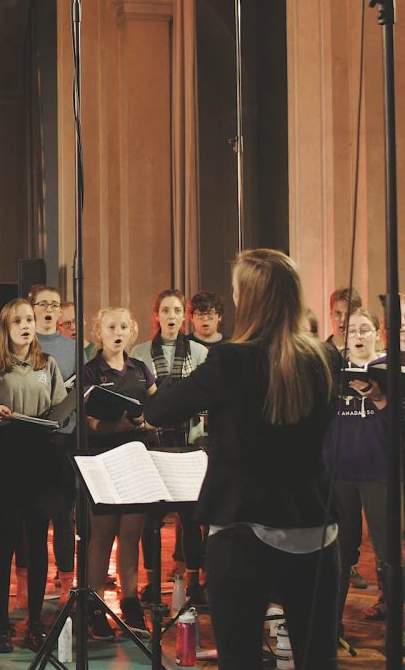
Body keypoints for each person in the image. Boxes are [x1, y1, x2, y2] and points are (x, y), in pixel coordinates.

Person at [144, 248, 340, 669]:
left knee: (240, 658)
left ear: (249, 299)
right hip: (312, 521)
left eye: (236, 292)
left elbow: (160, 412)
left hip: (242, 525)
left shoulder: (232, 360)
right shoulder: (325, 357)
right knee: (317, 657)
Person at [0, 299, 67, 652]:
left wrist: (61, 415)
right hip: (5, 454)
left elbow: (60, 407)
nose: (26, 325)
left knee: (38, 541)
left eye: (29, 320)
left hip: (40, 454)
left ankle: (36, 622)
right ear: (6, 328)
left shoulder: (48, 364)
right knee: (7, 542)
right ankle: (1, 624)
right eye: (18, 321)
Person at [131, 290, 209, 605]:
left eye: (177, 310)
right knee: (152, 518)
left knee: (191, 517)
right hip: (154, 442)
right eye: (166, 310)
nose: (172, 316)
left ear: (183, 315)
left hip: (188, 442)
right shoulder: (139, 352)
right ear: (157, 315)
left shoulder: (199, 352)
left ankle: (193, 581)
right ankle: (151, 582)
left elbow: (204, 395)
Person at [82, 307, 156, 638]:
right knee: (102, 534)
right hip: (103, 457)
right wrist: (114, 425)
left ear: (131, 332)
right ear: (99, 332)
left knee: (131, 534)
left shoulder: (140, 370)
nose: (118, 331)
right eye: (111, 326)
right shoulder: (89, 371)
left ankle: (130, 604)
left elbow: (157, 408)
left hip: (136, 458)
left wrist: (147, 420)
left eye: (124, 326)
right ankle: (94, 606)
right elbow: (85, 421)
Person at [326, 308, 391, 631]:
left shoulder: (390, 368)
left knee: (386, 547)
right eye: (352, 331)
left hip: (380, 469)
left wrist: (379, 398)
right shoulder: (334, 366)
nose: (359, 337)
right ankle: (331, 622)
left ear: (378, 334)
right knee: (340, 546)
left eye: (365, 330)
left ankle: (394, 623)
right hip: (340, 469)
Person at [28, 285, 78, 600]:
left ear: (60, 312)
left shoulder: (73, 349)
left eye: (54, 305)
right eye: (43, 304)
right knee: (32, 518)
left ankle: (67, 584)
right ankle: (27, 587)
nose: (49, 309)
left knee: (64, 515)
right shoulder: (23, 343)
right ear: (32, 309)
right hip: (31, 439)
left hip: (64, 438)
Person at [327, 287, 363, 352]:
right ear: (331, 315)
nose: (342, 319)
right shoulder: (320, 354)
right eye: (338, 313)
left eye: (348, 314)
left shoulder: (366, 352)